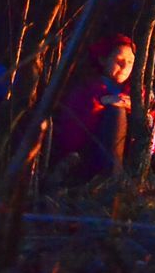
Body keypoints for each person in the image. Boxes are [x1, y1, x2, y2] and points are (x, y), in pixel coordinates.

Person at [49, 34, 137, 183]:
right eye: (119, 61)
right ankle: (113, 178)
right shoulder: (87, 88)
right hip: (89, 154)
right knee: (116, 111)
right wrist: (102, 103)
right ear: (103, 60)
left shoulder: (135, 93)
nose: (124, 67)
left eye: (130, 62)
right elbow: (71, 132)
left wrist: (146, 111)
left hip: (128, 157)